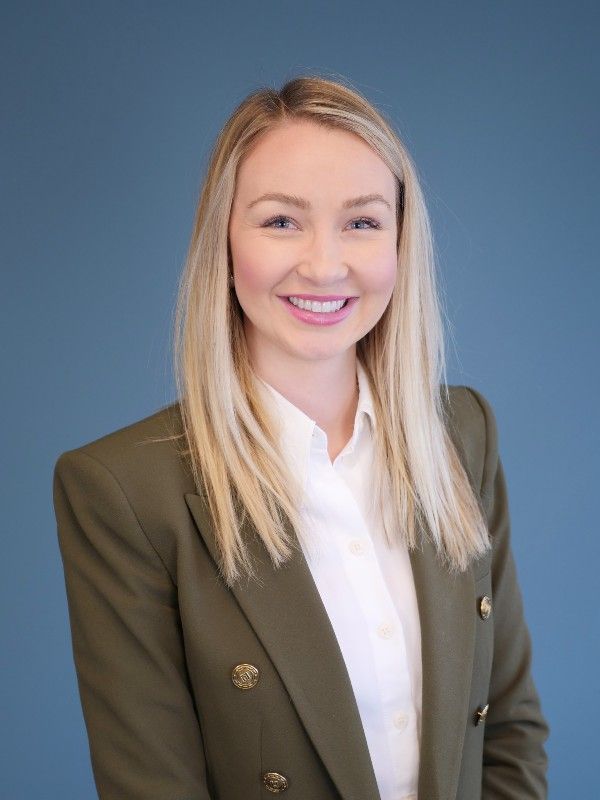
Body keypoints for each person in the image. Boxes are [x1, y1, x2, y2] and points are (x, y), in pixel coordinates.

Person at [53, 75, 549, 800]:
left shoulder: (462, 432)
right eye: (281, 221)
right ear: (223, 240)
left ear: (403, 242)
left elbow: (508, 729)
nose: (324, 264)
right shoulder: (124, 492)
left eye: (363, 221)